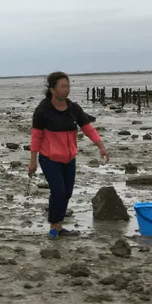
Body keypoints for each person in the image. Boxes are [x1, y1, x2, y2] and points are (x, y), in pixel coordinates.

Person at [29, 71, 110, 238]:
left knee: (67, 193)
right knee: (58, 191)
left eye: (68, 86)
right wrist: (33, 161)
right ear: (52, 89)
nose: (66, 90)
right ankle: (54, 227)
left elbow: (88, 128)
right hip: (49, 158)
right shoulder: (43, 110)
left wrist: (101, 146)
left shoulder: (73, 108)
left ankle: (58, 227)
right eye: (62, 87)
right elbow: (36, 136)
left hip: (69, 158)